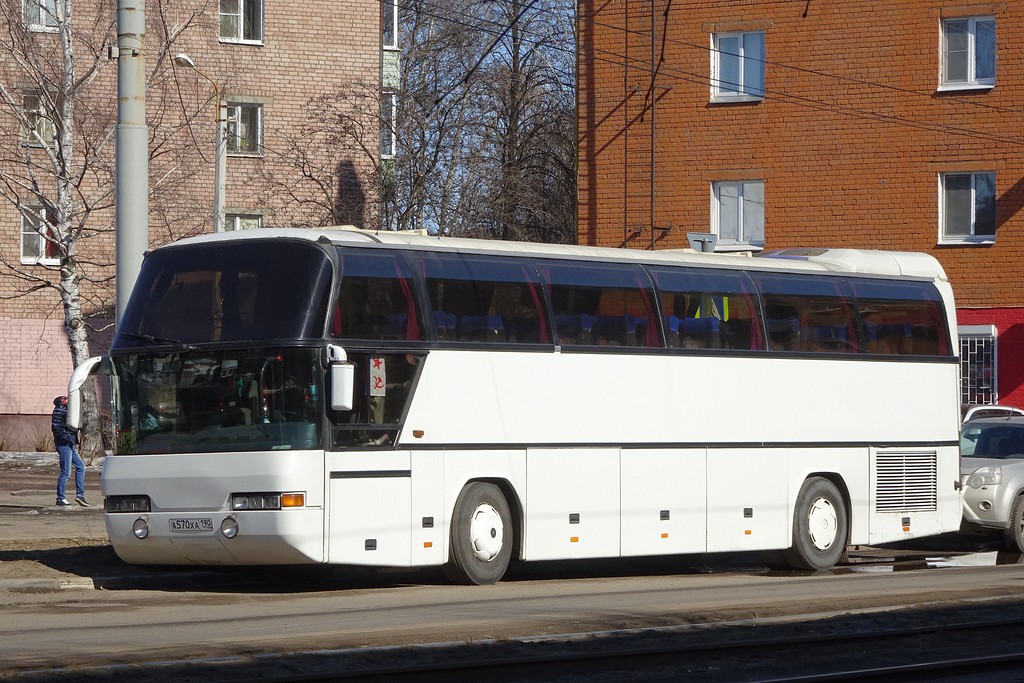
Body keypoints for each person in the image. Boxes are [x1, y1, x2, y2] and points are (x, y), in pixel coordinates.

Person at [51, 395, 88, 507]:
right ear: (61, 402)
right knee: (66, 471)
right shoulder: (59, 411)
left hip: (70, 443)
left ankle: (80, 495)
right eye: (65, 399)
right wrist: (66, 439)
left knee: (81, 467)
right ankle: (60, 498)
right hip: (64, 444)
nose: (68, 400)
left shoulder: (66, 410)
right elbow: (56, 428)